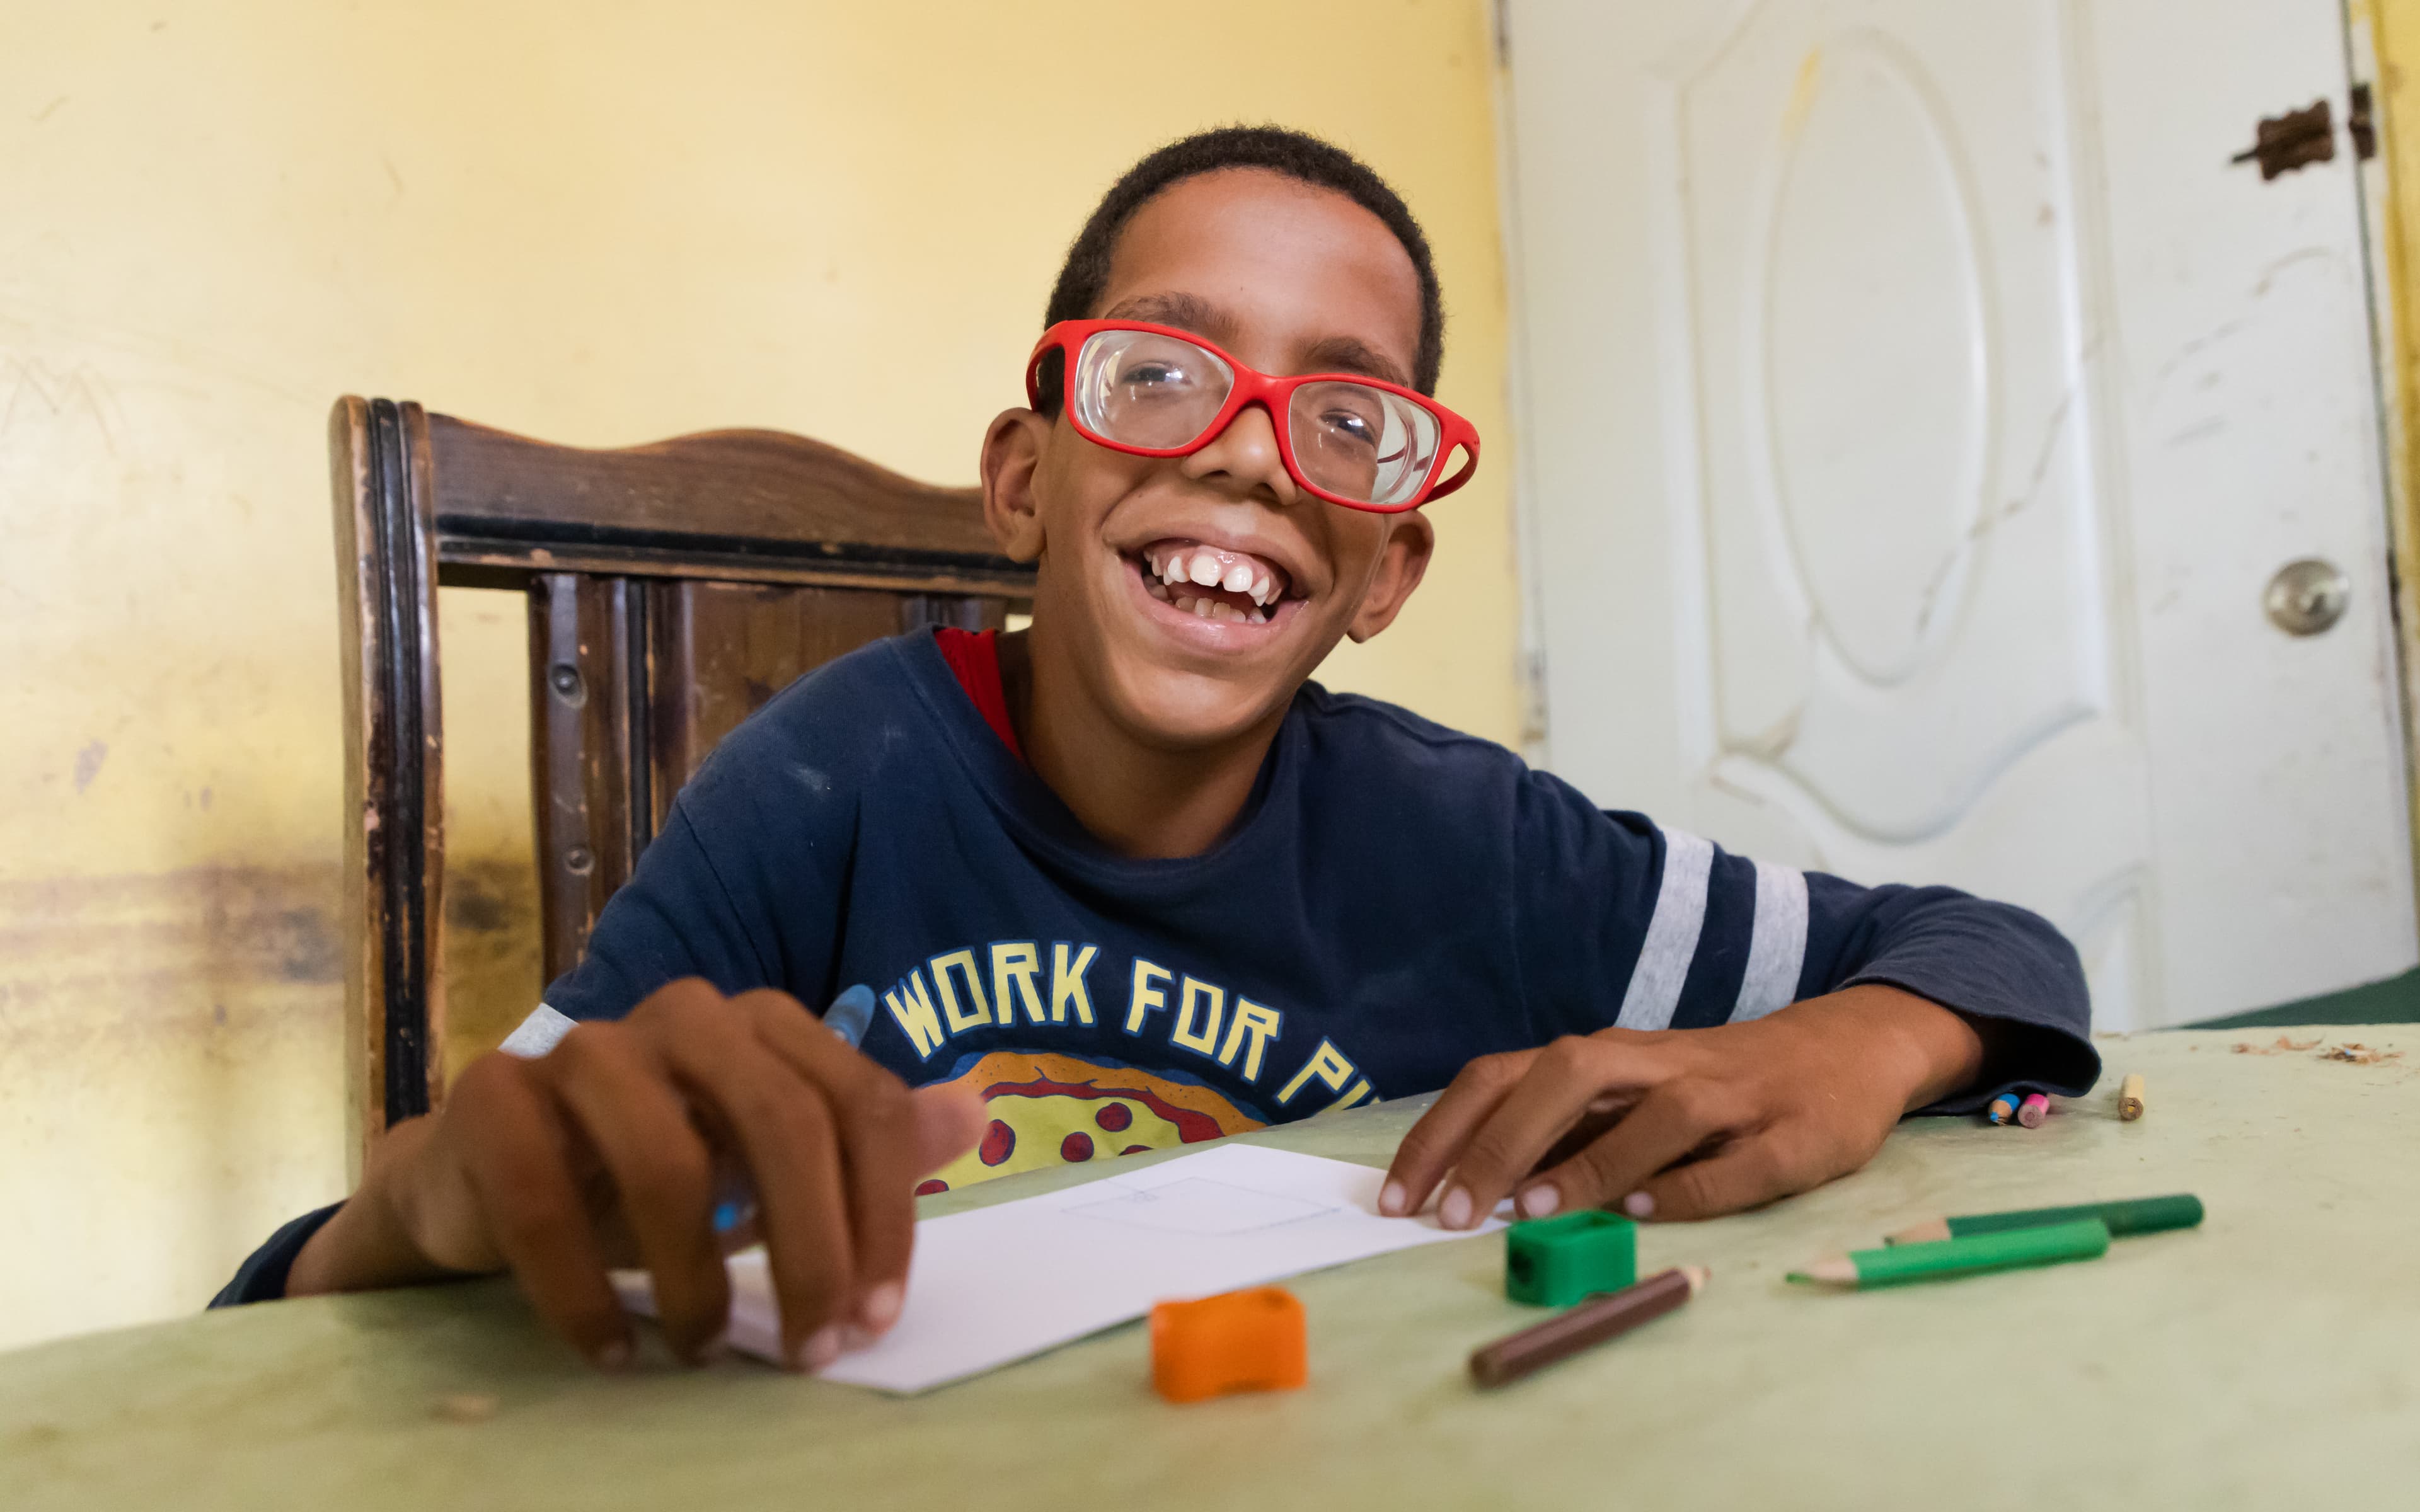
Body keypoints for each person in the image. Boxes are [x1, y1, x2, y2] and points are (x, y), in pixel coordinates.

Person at [214, 126, 2094, 1373]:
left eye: (1345, 417)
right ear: (1027, 479)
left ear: (1386, 567)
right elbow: (306, 1296)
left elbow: (1989, 949)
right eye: (1162, 371)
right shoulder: (834, 781)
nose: (1254, 453)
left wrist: (1851, 1050)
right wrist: (437, 1195)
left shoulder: (1467, 841)